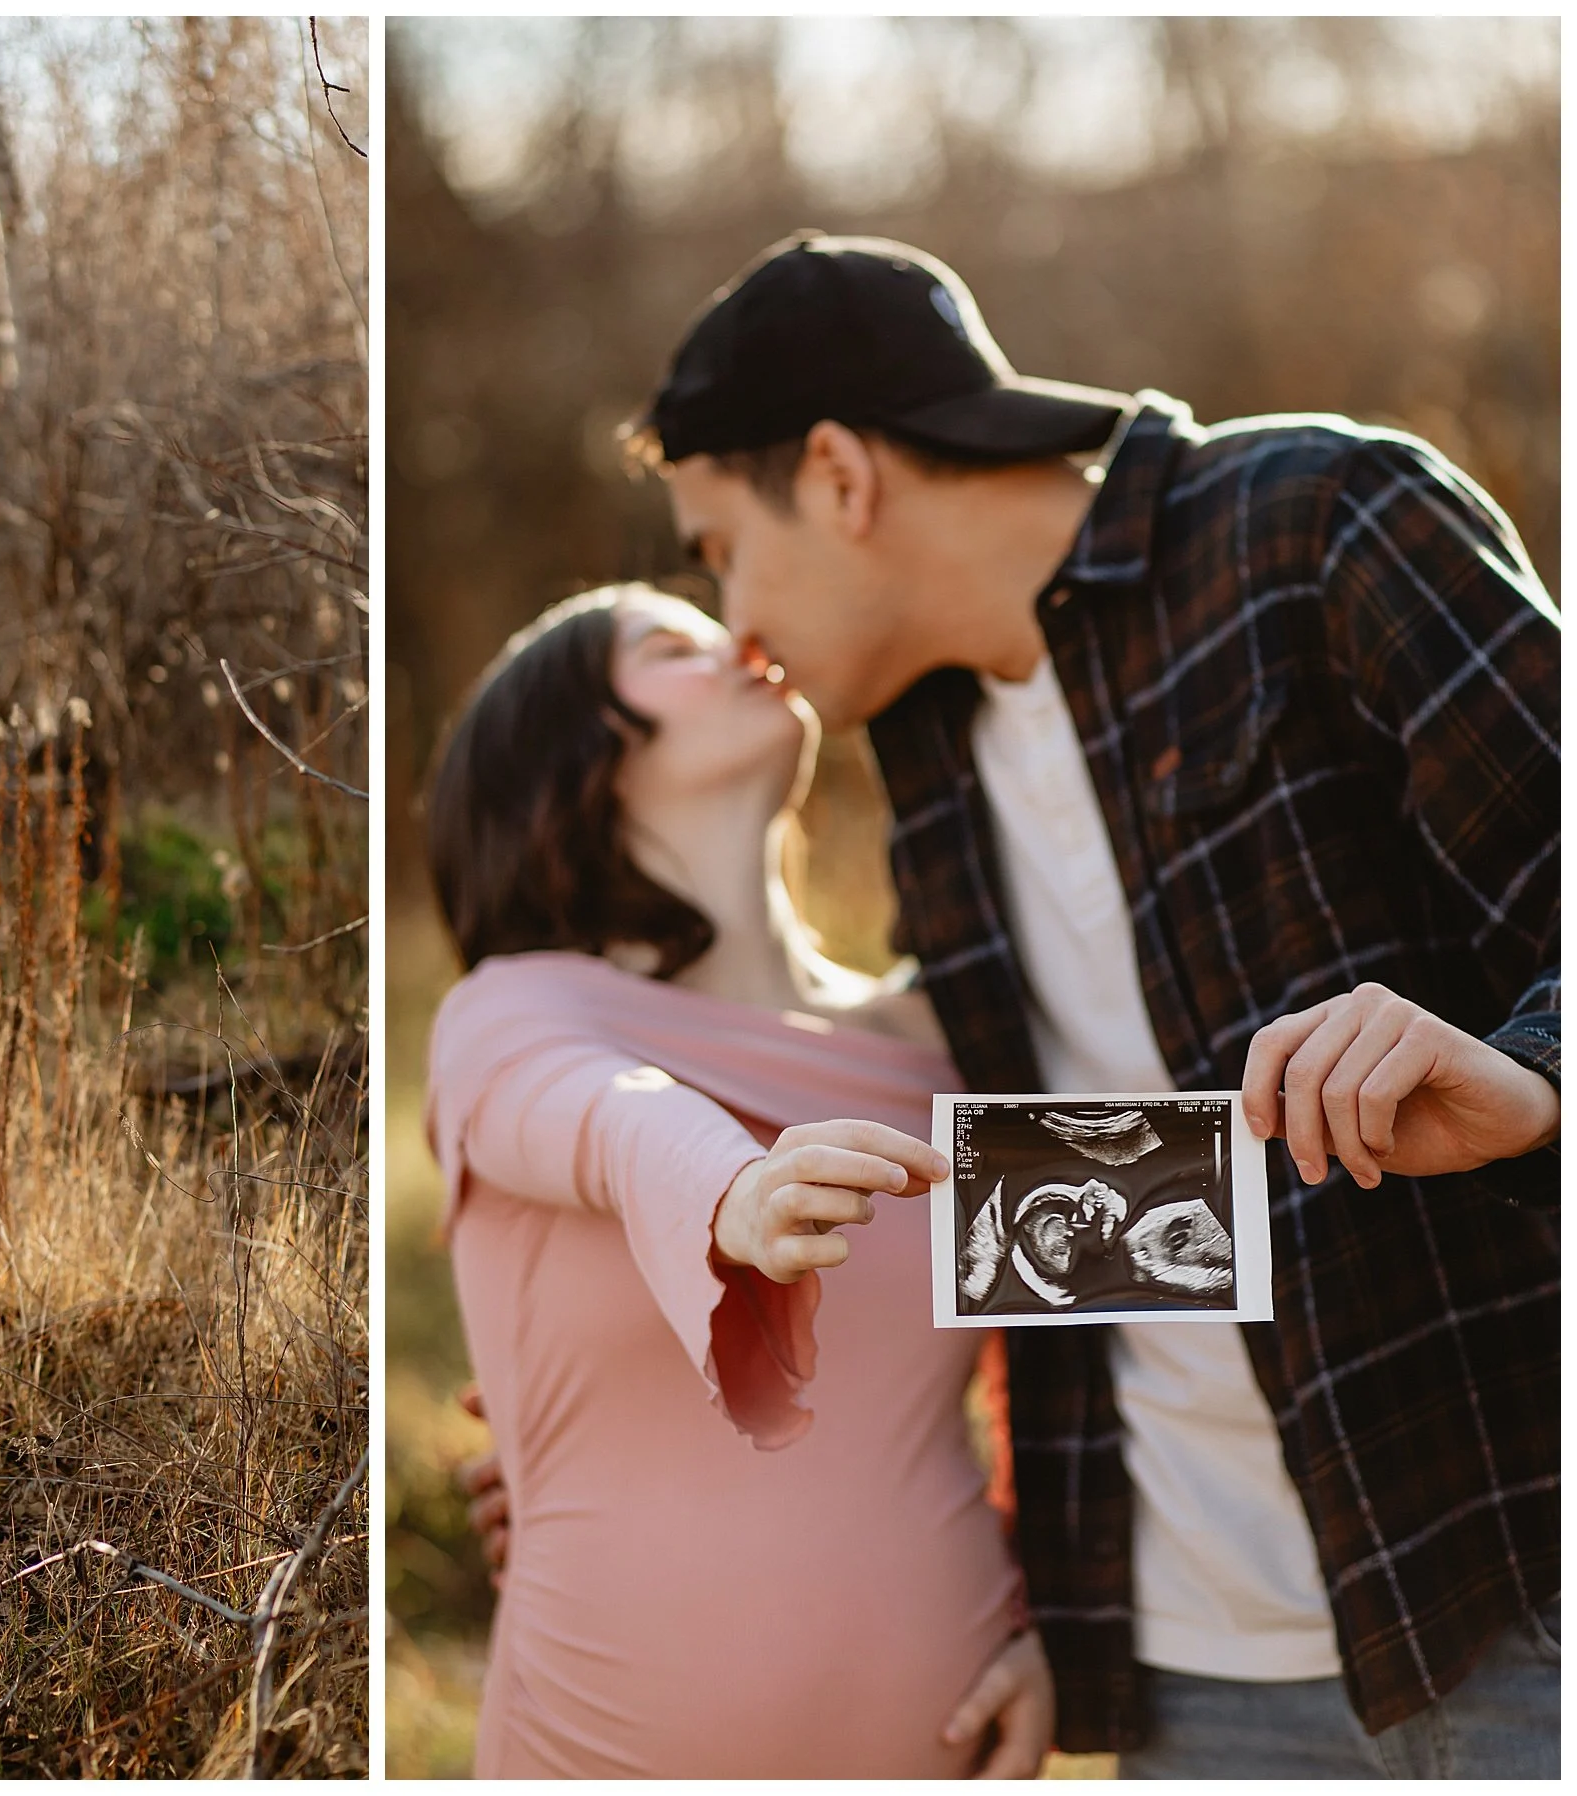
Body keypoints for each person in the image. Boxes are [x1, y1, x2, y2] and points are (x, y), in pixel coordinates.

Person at [622, 231, 1558, 1776]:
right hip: (1188, 1678)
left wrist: (1535, 1084)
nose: (735, 627)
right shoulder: (921, 749)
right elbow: (1012, 1182)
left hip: (1508, 1597)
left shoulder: (1316, 527)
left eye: (719, 548)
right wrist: (597, 1412)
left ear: (844, 478)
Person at [425, 584, 1053, 1777]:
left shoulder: (942, 1038)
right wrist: (733, 1192)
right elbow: (611, 1121)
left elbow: (1105, 1317)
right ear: (573, 751)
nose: (744, 643)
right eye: (674, 645)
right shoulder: (512, 1011)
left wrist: (1065, 1618)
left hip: (941, 1744)